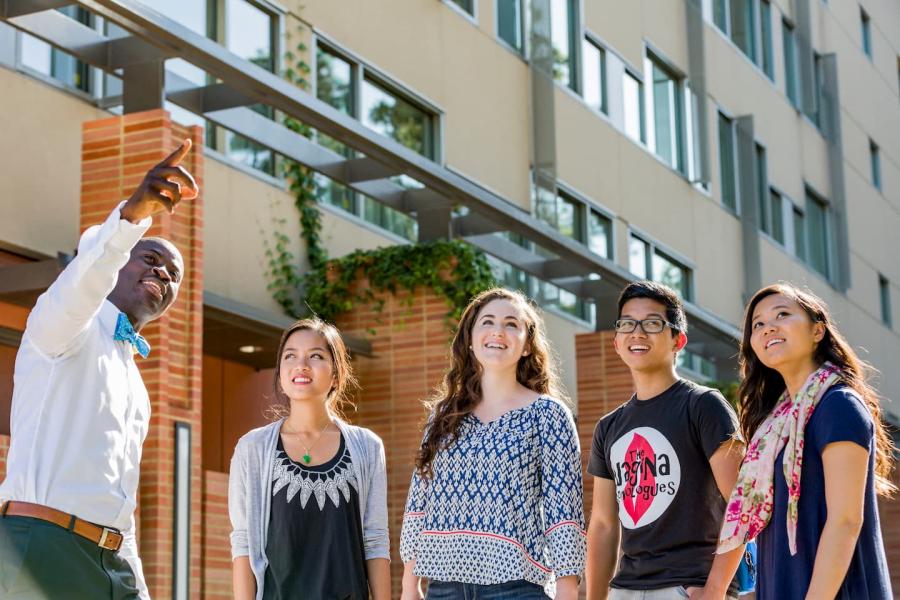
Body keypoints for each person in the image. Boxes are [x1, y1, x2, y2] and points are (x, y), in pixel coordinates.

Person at [0, 139, 199, 598]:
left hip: (112, 561)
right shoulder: (64, 323)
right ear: (119, 263)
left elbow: (119, 500)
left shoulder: (135, 382)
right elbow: (87, 276)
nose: (164, 276)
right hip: (40, 545)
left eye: (174, 277)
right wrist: (131, 218)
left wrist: (137, 584)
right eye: (151, 260)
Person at [400, 287, 585, 600]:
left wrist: (568, 593)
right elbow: (420, 504)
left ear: (527, 345)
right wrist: (409, 586)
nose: (498, 331)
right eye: (487, 322)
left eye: (512, 324)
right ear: (470, 340)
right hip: (444, 589)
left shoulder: (549, 415)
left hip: (517, 588)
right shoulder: (443, 416)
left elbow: (563, 512)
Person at [714, 283, 894, 599]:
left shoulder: (838, 406)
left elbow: (846, 522)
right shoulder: (772, 429)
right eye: (758, 324)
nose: (768, 327)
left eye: (782, 314)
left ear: (817, 331)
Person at [585, 281, 745, 600]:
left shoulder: (704, 406)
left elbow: (743, 504)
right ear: (616, 342)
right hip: (625, 590)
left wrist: (715, 589)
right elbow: (603, 524)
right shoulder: (609, 426)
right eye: (627, 323)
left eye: (653, 324)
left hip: (689, 585)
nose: (638, 333)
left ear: (678, 340)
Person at [229, 318, 391, 600]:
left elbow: (375, 540)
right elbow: (243, 542)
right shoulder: (252, 448)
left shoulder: (366, 447)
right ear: (280, 371)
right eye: (290, 356)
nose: (301, 365)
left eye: (315, 356)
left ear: (337, 374)